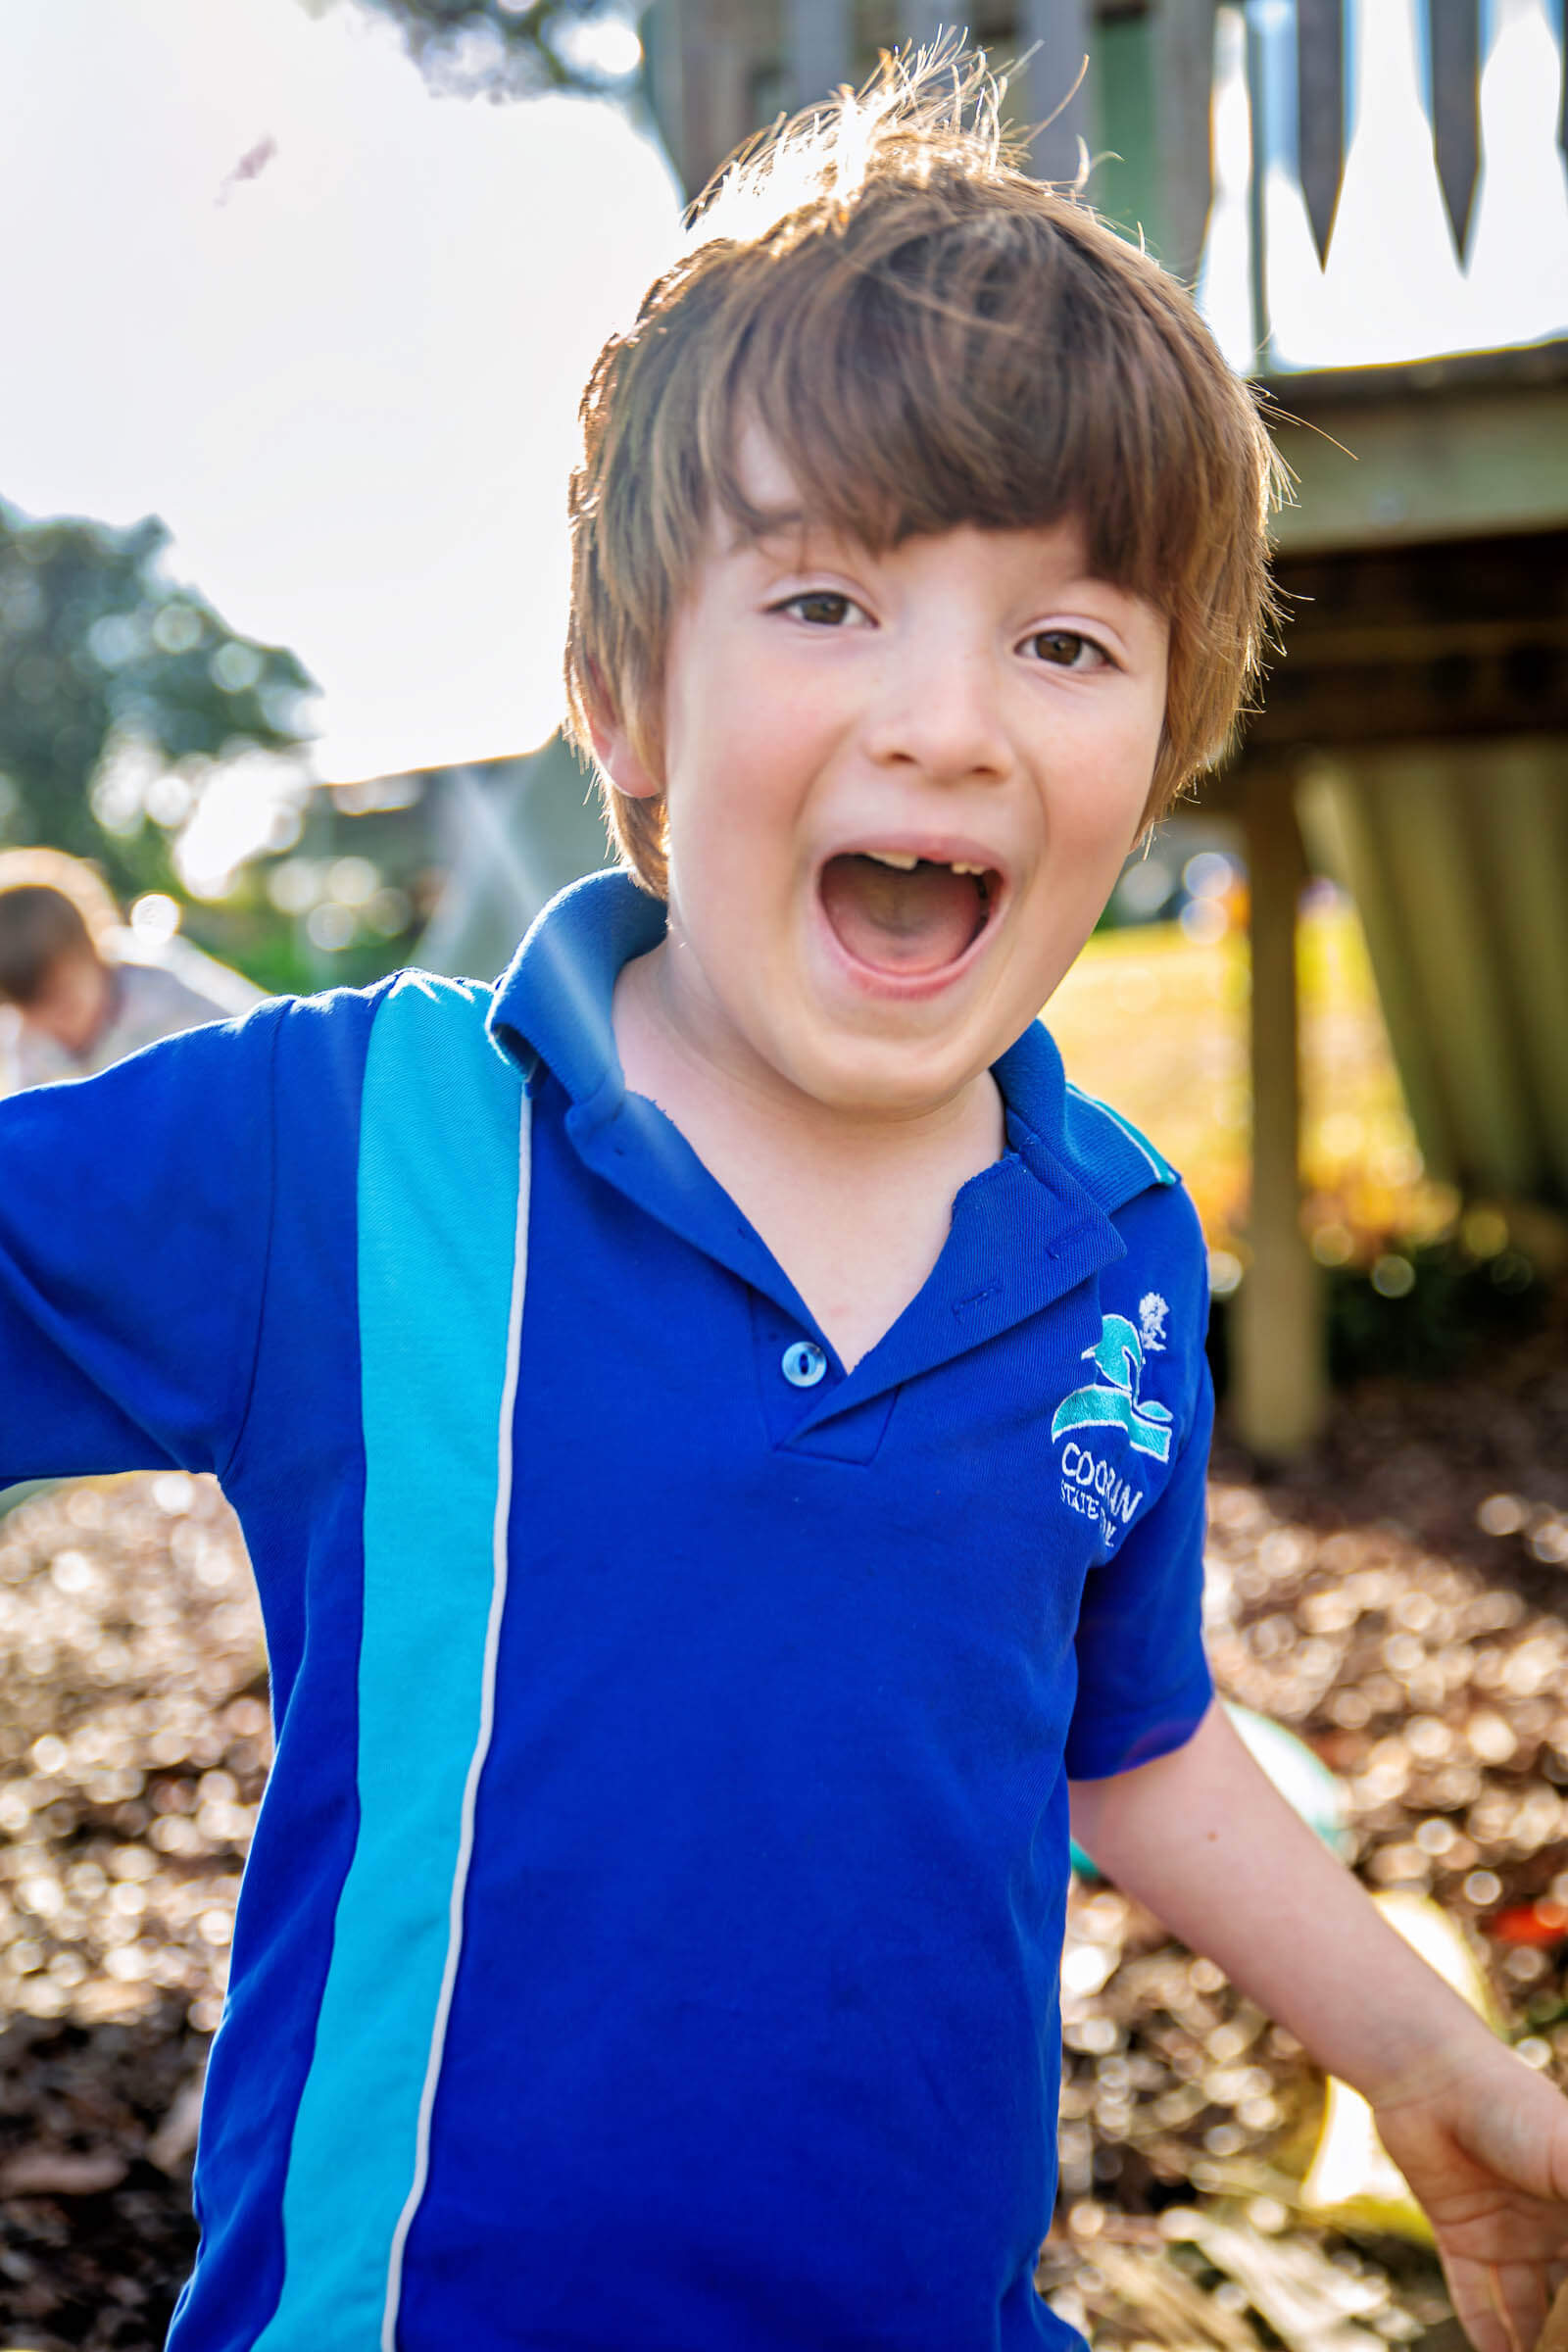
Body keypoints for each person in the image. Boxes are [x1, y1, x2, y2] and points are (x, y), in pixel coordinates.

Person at [1, 57, 1564, 2352]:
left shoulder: (1110, 1244)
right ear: (621, 697)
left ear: (1160, 746)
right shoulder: (353, 1147)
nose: (946, 719)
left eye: (1061, 641)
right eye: (827, 598)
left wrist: (1427, 2064)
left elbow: (1127, 1735)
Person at [0, 848, 261, 1092]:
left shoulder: (166, 991)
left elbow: (263, 1040)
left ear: (95, 953)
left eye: (65, 1005)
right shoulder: (23, 1041)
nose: (56, 1029)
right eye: (30, 1015)